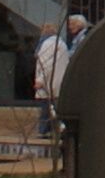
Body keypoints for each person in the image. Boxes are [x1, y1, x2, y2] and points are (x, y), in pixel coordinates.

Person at [32, 9, 90, 145]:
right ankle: (55, 129)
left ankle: (44, 130)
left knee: (46, 108)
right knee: (54, 106)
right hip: (59, 81)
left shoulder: (47, 45)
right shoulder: (61, 43)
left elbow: (45, 65)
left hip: (48, 82)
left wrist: (40, 81)